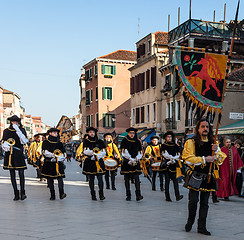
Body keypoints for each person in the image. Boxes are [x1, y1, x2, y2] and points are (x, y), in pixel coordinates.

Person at [182, 119, 226, 236]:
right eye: (202, 126)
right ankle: (190, 221)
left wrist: (216, 152)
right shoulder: (191, 142)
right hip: (196, 176)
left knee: (205, 203)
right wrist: (204, 159)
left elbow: (221, 158)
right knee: (194, 201)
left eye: (207, 126)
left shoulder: (213, 142)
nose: (205, 129)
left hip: (209, 176)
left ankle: (202, 226)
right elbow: (187, 158)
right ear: (198, 129)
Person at [1, 115, 28, 200]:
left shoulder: (22, 130)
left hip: (19, 154)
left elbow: (24, 141)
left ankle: (22, 192)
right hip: (10, 155)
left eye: (16, 122)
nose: (15, 123)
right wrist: (5, 145)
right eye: (13, 122)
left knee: (21, 173)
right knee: (12, 174)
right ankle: (16, 193)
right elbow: (4, 141)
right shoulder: (6, 131)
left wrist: (18, 130)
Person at [81, 127, 106, 200]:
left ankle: (101, 194)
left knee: (100, 178)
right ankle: (93, 194)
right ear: (88, 133)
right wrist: (92, 154)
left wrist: (97, 156)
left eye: (93, 132)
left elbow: (104, 151)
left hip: (99, 162)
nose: (92, 133)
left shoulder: (100, 141)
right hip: (90, 162)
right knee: (91, 179)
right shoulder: (86, 142)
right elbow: (85, 151)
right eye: (90, 132)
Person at [41, 128, 67, 200]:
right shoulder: (45, 142)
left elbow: (64, 153)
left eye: (56, 133)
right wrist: (53, 155)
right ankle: (52, 195)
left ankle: (62, 193)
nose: (56, 134)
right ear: (50, 133)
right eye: (54, 132)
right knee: (50, 179)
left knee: (60, 178)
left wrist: (60, 157)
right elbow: (44, 152)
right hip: (49, 163)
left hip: (58, 163)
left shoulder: (59, 143)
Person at [120, 127, 143, 201]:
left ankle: (138, 195)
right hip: (127, 162)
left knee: (137, 179)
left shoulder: (137, 141)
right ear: (128, 133)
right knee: (127, 179)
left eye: (133, 133)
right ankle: (128, 195)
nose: (132, 134)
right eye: (130, 133)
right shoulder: (124, 141)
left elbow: (140, 151)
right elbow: (124, 152)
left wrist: (136, 159)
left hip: (135, 162)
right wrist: (130, 159)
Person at [161, 131, 183, 202]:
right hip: (167, 165)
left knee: (175, 182)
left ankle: (177, 196)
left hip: (174, 165)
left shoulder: (175, 146)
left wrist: (174, 159)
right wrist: (171, 159)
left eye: (170, 137)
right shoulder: (163, 146)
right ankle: (167, 197)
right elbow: (164, 154)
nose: (169, 138)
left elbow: (178, 154)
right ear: (165, 138)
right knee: (167, 182)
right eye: (168, 137)